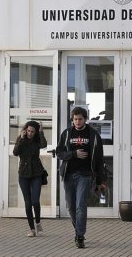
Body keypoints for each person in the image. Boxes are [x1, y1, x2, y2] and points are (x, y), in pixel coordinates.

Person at [56, 107, 107, 249]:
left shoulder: (93, 135)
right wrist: (73, 154)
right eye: (75, 119)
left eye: (80, 119)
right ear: (72, 119)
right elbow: (59, 152)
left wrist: (100, 180)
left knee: (80, 206)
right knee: (71, 207)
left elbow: (99, 158)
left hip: (85, 175)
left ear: (85, 119)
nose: (77, 121)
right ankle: (78, 229)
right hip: (68, 175)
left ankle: (80, 236)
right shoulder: (66, 134)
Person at [13, 120, 47, 237]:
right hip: (23, 174)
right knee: (28, 203)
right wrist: (21, 139)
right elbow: (15, 152)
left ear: (36, 132)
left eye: (32, 132)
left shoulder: (38, 140)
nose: (30, 133)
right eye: (28, 131)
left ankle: (38, 222)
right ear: (25, 130)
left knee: (35, 201)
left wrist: (41, 133)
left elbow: (44, 145)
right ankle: (32, 229)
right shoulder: (21, 139)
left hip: (36, 173)